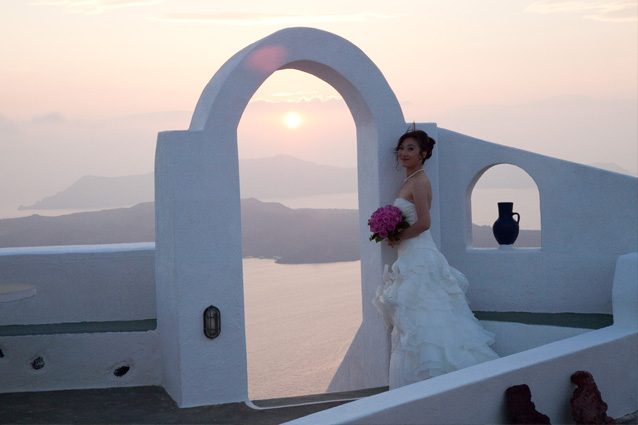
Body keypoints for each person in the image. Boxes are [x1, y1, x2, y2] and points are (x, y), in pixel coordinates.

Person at [372, 128, 499, 390]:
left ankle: (436, 382)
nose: (404, 153)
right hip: (410, 255)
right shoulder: (409, 180)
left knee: (426, 317)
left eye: (410, 149)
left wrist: (398, 236)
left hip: (419, 255)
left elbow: (424, 223)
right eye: (402, 148)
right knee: (414, 319)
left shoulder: (419, 181)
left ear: (423, 154)